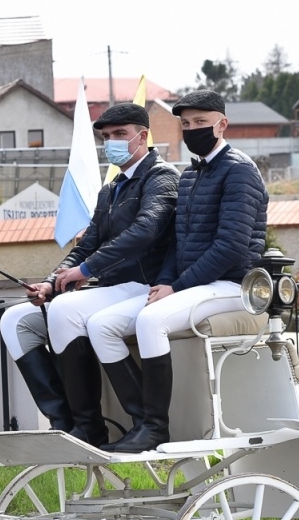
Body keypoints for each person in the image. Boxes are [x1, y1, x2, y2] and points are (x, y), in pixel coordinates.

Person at [87, 89, 268, 452]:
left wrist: (178, 286)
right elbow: (176, 243)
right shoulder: (189, 176)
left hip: (232, 285)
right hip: (196, 286)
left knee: (151, 320)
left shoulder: (240, 172)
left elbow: (231, 247)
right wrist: (165, 280)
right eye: (185, 124)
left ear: (222, 124)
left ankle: (156, 428)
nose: (191, 129)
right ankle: (137, 421)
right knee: (101, 325)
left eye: (200, 122)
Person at [0, 102, 177, 444]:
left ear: (143, 136)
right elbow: (86, 244)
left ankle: (97, 425)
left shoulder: (162, 176)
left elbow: (146, 231)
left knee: (66, 310)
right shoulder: (110, 189)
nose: (112, 142)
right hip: (110, 289)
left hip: (145, 284)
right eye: (106, 136)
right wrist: (52, 283)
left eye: (120, 134)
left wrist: (86, 269)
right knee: (15, 322)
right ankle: (65, 421)